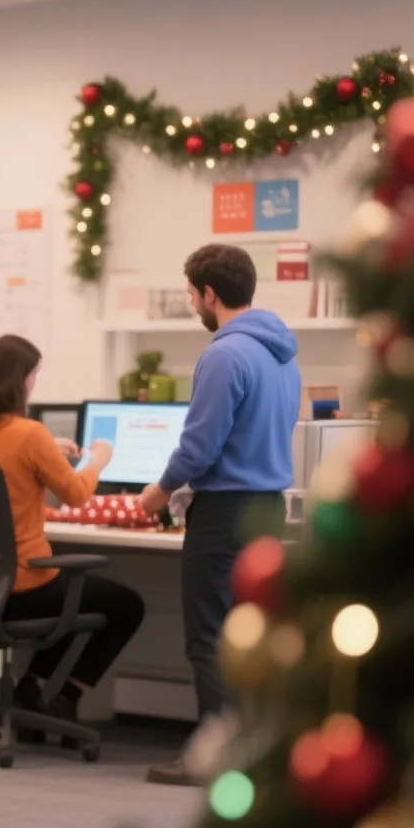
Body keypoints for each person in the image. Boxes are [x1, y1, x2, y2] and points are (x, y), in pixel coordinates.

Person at [136, 244, 300, 786]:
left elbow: (198, 447)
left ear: (211, 293)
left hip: (225, 511)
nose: (193, 306)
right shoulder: (282, 354)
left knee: (209, 638)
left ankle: (213, 757)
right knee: (248, 635)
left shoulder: (225, 354)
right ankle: (251, 751)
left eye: (191, 295)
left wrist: (156, 494)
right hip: (267, 509)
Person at [0, 335, 146, 740]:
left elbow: (5, 458)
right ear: (20, 380)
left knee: (75, 597)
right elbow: (76, 494)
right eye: (34, 375)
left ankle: (28, 691)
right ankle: (66, 697)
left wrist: (48, 450)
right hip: (23, 585)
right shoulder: (29, 434)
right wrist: (98, 460)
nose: (34, 383)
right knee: (125, 605)